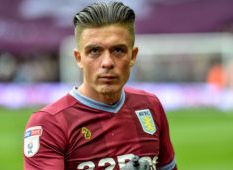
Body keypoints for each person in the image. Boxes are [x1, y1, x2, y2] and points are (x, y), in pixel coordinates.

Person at [23, 1, 177, 170]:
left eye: (118, 50)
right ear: (78, 58)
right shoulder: (49, 124)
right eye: (94, 51)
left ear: (133, 56)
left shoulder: (150, 106)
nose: (107, 63)